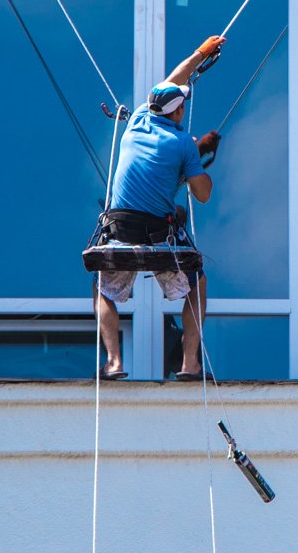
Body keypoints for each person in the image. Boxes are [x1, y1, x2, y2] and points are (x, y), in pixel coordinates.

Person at [94, 35, 225, 381]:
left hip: (119, 230)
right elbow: (202, 195)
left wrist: (200, 53)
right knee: (197, 284)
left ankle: (113, 362)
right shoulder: (182, 144)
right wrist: (196, 160)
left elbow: (175, 79)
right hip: (157, 235)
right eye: (182, 105)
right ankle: (190, 364)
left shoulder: (138, 118)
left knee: (103, 287)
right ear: (178, 112)